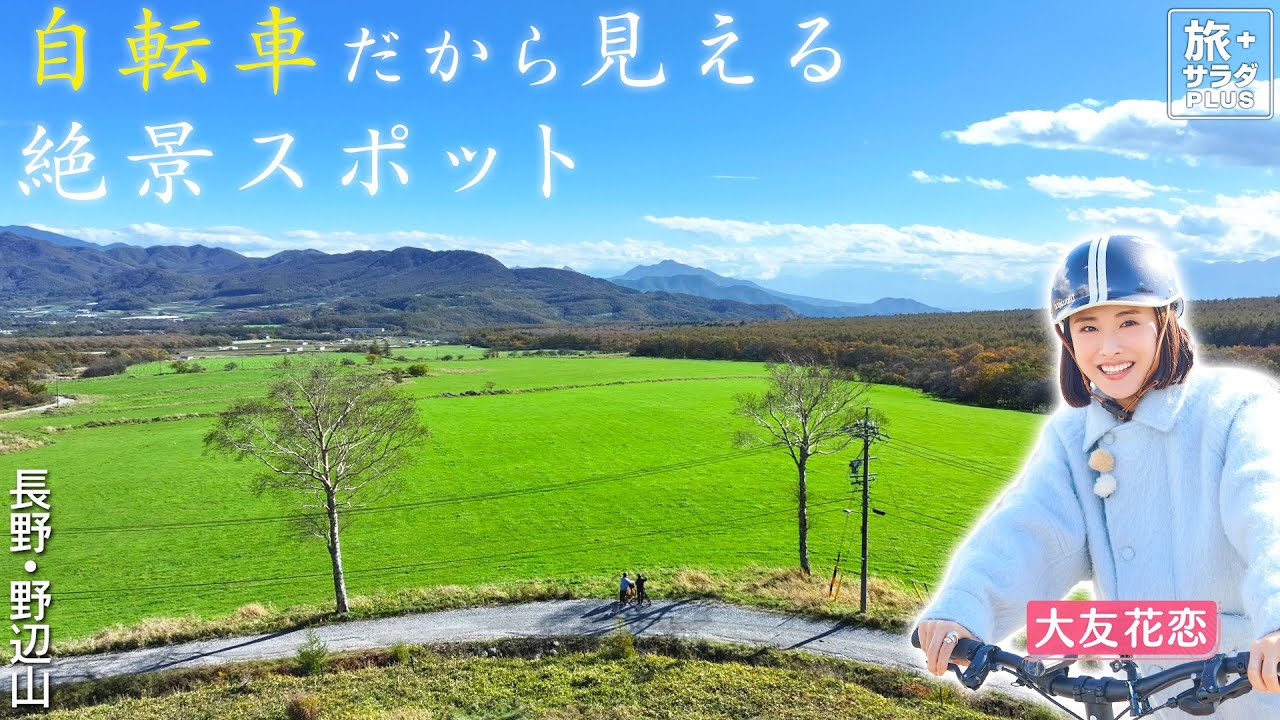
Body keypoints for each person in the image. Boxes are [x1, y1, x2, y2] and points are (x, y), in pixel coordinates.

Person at [914, 235, 1280, 718]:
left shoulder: (1234, 405)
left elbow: (1266, 509)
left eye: (1129, 320)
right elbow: (1028, 531)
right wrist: (963, 608)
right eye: (1087, 327)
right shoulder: (1071, 436)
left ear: (1165, 321)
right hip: (1144, 693)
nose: (1108, 347)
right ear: (1066, 338)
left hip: (1247, 687)